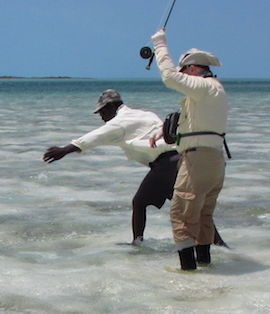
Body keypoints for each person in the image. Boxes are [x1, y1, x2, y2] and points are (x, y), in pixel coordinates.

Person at [43, 89, 180, 245]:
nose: (102, 118)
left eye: (102, 112)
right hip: (181, 159)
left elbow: (96, 137)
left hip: (165, 164)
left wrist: (65, 150)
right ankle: (213, 241)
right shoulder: (145, 114)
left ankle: (137, 244)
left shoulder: (119, 122)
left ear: (110, 107)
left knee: (139, 202)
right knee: (189, 208)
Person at [149, 27, 229, 271]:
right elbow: (197, 123)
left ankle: (188, 272)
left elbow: (169, 77)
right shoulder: (214, 90)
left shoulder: (204, 87)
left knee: (182, 214)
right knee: (203, 214)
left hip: (198, 160)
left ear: (193, 70)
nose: (183, 76)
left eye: (185, 71)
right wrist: (162, 131)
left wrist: (160, 45)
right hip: (214, 159)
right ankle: (205, 265)